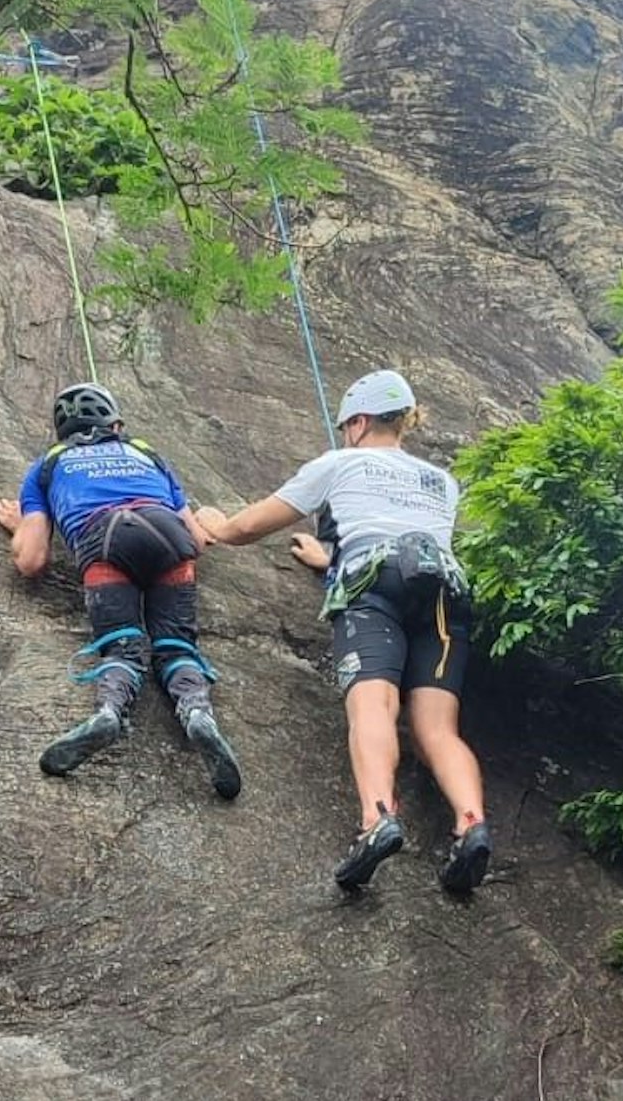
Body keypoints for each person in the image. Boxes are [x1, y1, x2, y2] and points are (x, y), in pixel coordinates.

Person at [195, 369, 490, 893]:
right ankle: (471, 824)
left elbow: (250, 526)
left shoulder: (338, 463)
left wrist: (214, 523)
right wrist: (329, 558)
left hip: (371, 587)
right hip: (444, 591)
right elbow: (399, 535)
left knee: (373, 708)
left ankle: (378, 819)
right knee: (438, 729)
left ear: (357, 421)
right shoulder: (440, 481)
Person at [0, 381, 241, 800]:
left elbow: (31, 561)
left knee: (121, 647)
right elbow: (196, 540)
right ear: (116, 424)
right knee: (177, 646)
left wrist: (21, 528)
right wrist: (209, 519)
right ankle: (197, 711)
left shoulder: (47, 467)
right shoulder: (147, 454)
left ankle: (110, 712)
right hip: (167, 534)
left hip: (104, 540)